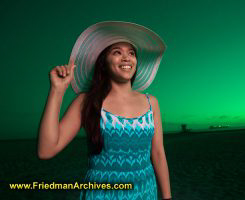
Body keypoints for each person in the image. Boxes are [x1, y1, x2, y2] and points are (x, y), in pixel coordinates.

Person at [38, 21, 172, 200]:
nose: (126, 58)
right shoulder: (87, 101)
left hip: (145, 191)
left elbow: (157, 153)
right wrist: (57, 91)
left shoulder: (151, 102)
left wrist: (167, 197)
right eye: (117, 52)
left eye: (131, 53)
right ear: (104, 62)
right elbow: (46, 150)